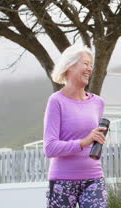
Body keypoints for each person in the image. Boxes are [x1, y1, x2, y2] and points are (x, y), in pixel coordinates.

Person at [43, 45, 108, 208]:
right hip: (62, 180)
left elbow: (95, 140)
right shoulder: (56, 101)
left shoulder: (98, 103)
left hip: (93, 178)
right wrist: (84, 142)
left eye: (91, 65)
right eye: (85, 64)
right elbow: (50, 148)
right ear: (70, 66)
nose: (89, 69)